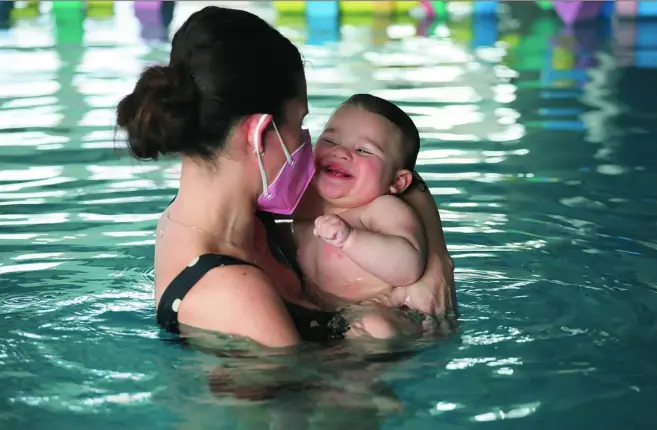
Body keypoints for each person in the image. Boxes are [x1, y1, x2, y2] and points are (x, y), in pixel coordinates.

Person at [114, 6, 455, 349]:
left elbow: (399, 183)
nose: (311, 144)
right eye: (301, 123)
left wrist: (435, 265)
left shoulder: (234, 211)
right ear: (260, 133)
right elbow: (316, 399)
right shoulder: (236, 295)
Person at [291, 94, 428, 339]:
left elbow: (408, 267)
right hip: (319, 312)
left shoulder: (382, 209)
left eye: (363, 150)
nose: (341, 152)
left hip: (379, 308)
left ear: (397, 182)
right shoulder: (299, 200)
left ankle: (361, 375)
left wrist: (351, 239)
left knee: (377, 326)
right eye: (330, 140)